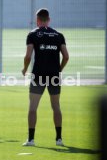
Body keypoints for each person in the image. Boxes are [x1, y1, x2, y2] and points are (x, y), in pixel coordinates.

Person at [22, 8, 69, 146]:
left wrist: (24, 69)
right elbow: (66, 56)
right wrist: (58, 69)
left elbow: (28, 56)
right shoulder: (58, 35)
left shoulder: (33, 34)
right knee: (56, 107)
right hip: (54, 75)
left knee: (33, 108)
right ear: (49, 20)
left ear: (37, 20)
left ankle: (31, 140)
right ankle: (59, 139)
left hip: (38, 75)